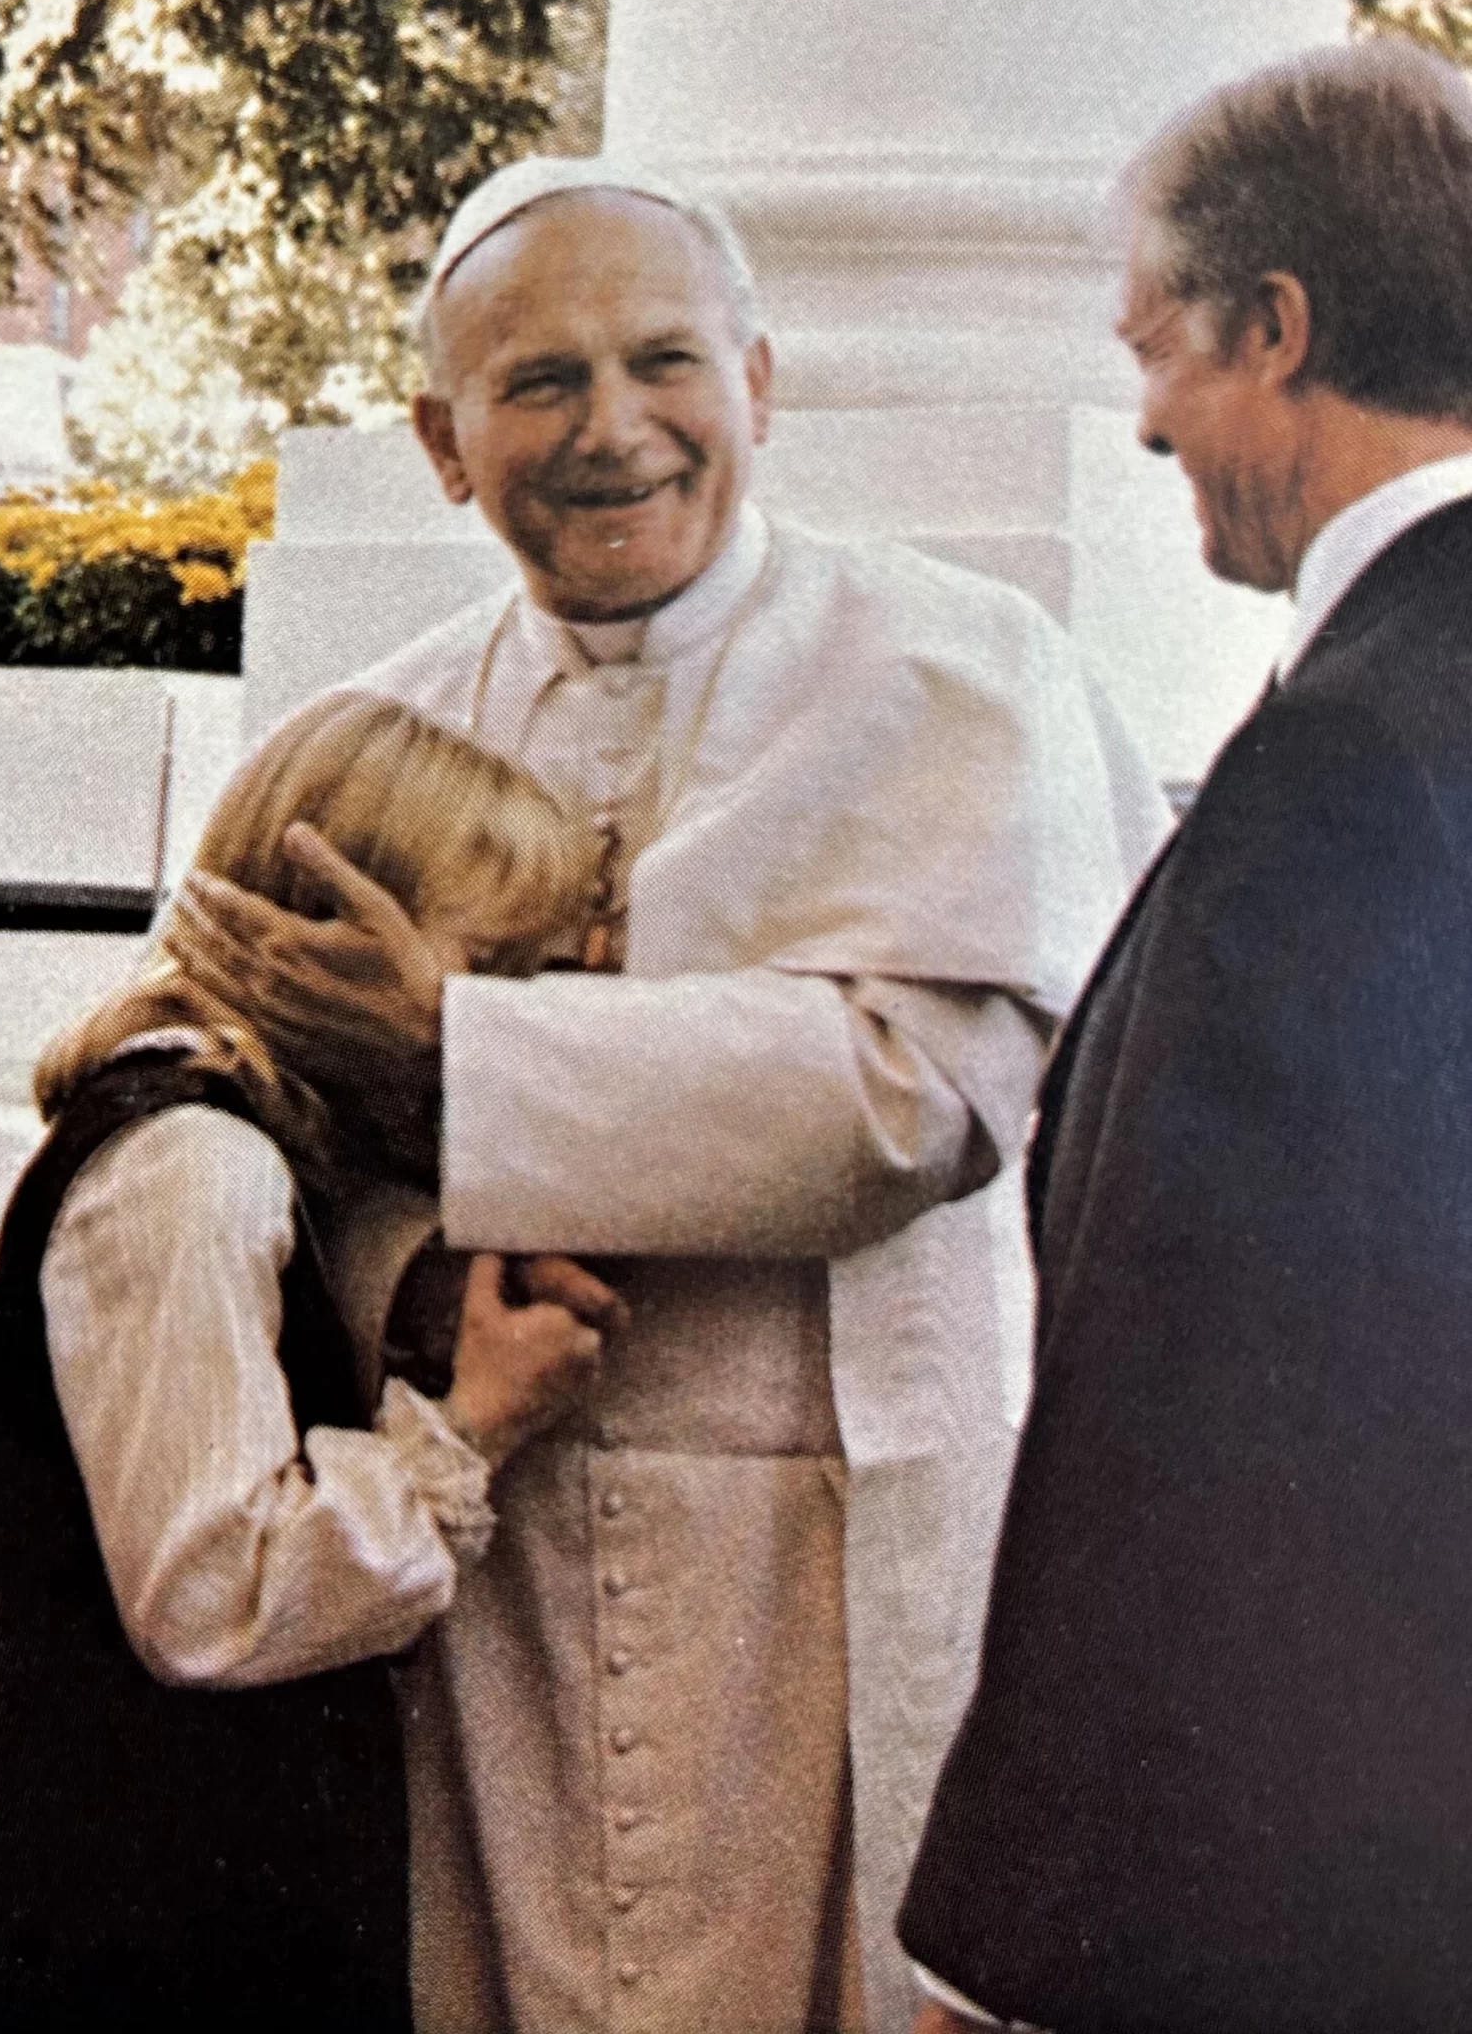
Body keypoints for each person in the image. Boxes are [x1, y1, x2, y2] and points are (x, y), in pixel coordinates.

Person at [170, 153, 1166, 2034]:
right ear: (442, 441)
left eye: (662, 363)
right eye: (536, 383)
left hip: (826, 1553)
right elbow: (253, 1110)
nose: (610, 429)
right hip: (498, 1543)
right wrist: (408, 1283)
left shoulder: (958, 673)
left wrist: (463, 1056)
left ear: (762, 386)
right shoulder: (366, 732)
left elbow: (909, 1104)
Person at [899, 38, 1472, 2034]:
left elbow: (1202, 1386)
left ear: (1281, 326)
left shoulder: (1341, 756)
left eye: (1157, 351)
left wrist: (1031, 1927)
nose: (1140, 422)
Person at [0, 692, 623, 2034]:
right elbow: (212, 1591)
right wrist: (470, 1429)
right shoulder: (192, 1162)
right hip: (135, 1878)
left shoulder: (247, 1146)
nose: (509, 1027)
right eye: (497, 973)